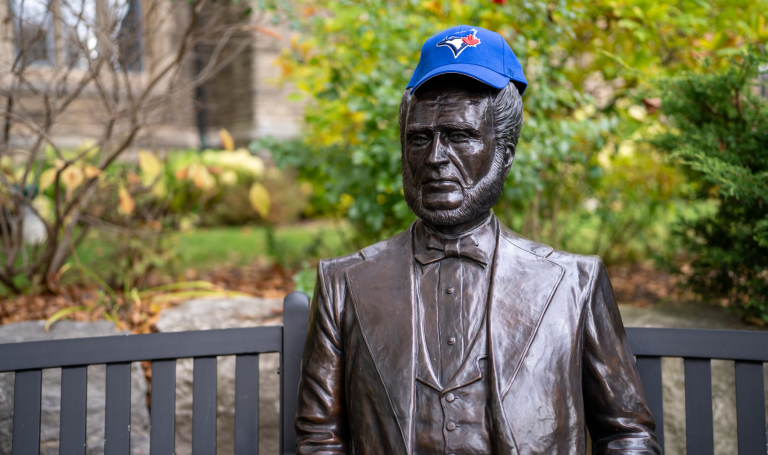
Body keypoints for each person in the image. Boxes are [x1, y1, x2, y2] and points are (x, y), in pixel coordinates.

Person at [294, 25, 661, 455]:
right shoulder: (344, 283)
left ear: (505, 152)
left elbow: (627, 435)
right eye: (419, 138)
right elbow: (320, 440)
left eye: (460, 136)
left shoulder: (573, 283)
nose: (435, 157)